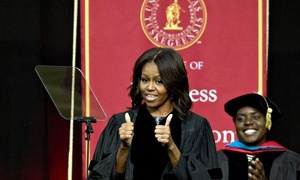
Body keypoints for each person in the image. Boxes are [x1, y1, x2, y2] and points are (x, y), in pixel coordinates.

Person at [87, 47, 222, 180]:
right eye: (145, 80)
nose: (150, 88)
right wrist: (123, 148)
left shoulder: (196, 126)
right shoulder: (120, 122)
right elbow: (101, 176)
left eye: (159, 81)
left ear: (173, 84)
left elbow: (204, 177)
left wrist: (171, 147)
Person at [218, 93, 300, 180]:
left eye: (256, 117)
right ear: (235, 124)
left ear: (267, 121)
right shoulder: (217, 160)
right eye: (240, 119)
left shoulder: (290, 161)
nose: (248, 122)